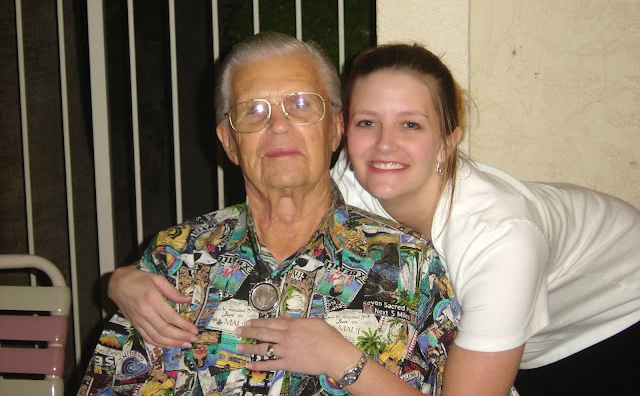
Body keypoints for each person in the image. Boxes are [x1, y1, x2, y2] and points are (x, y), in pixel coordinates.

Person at [110, 42, 640, 395]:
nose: (384, 146)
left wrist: (339, 357)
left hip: (616, 314)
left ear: (448, 141)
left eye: (410, 124)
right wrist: (122, 279)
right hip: (520, 331)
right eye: (368, 122)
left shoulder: (501, 240)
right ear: (344, 130)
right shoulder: (348, 177)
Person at [78, 32, 462, 396]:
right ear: (230, 142)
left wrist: (350, 365)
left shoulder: (410, 264)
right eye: (253, 110)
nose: (278, 125)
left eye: (301, 104)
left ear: (335, 128)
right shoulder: (174, 257)